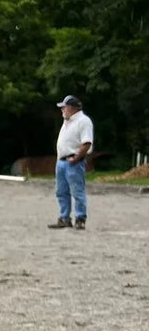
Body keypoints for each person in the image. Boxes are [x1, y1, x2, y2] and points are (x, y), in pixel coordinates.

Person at [49, 95, 94, 230]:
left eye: (64, 107)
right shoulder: (67, 121)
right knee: (61, 191)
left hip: (73, 161)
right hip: (62, 161)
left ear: (72, 108)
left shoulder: (83, 121)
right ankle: (64, 218)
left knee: (77, 191)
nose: (62, 109)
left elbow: (86, 143)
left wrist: (77, 157)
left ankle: (80, 218)